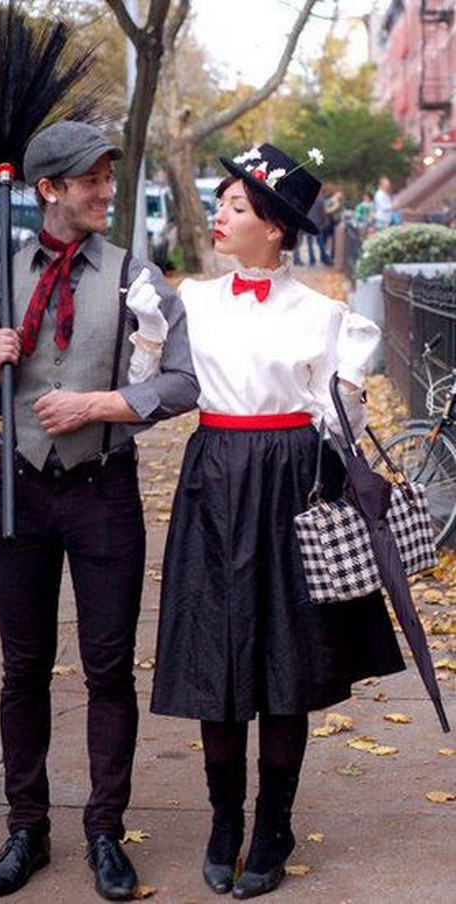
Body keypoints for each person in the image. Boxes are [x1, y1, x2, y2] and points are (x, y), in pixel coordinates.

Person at [0, 119, 199, 901]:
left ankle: (104, 831)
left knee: (108, 670)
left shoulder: (139, 279)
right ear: (48, 189)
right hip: (19, 493)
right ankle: (27, 828)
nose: (105, 191)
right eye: (89, 179)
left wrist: (106, 401)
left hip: (103, 494)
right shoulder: (1, 278)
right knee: (22, 669)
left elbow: (184, 381)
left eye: (107, 176)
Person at [150, 143, 405, 899]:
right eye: (222, 204)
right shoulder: (190, 299)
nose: (219, 216)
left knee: (285, 660)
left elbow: (340, 421)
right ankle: (224, 821)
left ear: (273, 228)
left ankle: (274, 824)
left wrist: (346, 396)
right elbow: (152, 382)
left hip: (292, 482)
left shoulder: (325, 316)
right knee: (217, 654)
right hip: (215, 479)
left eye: (234, 206)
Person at [305, 192, 331, 264]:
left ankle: (312, 260)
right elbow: (323, 213)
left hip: (308, 224)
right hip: (318, 224)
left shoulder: (307, 200)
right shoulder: (320, 200)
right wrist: (326, 222)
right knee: (320, 243)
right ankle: (323, 258)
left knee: (310, 244)